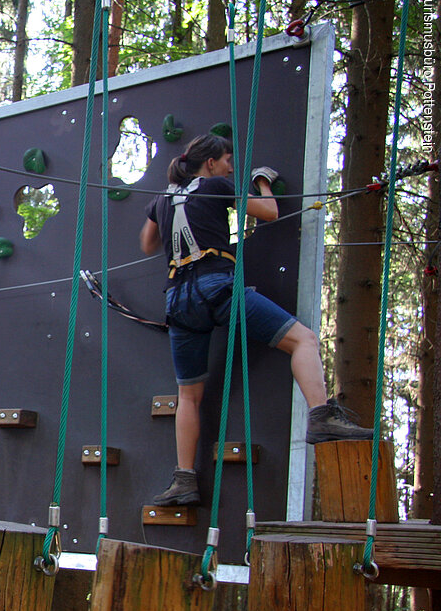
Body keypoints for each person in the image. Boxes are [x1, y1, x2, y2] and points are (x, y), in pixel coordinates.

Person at [139, 133, 372, 506]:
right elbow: (269, 212)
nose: (231, 166)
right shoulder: (216, 184)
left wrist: (172, 212)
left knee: (188, 395)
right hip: (216, 287)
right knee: (303, 340)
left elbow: (148, 244)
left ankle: (185, 479)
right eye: (228, 160)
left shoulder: (162, 199)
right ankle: (321, 416)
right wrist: (261, 181)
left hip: (179, 301)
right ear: (211, 163)